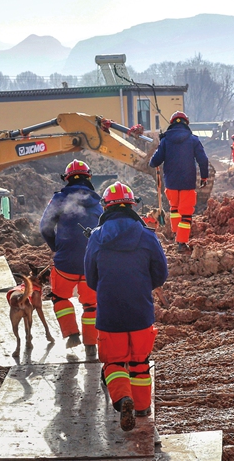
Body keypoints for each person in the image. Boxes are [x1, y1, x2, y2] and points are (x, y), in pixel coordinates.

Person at [84, 182, 168, 432]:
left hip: (110, 315)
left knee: (114, 363)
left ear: (106, 207)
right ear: (132, 206)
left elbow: (91, 278)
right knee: (140, 362)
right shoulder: (147, 235)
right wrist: (142, 287)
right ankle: (142, 407)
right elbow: (161, 273)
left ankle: (123, 400)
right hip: (141, 313)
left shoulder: (97, 237)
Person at [40, 160, 104, 349]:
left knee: (60, 297)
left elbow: (45, 227)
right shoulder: (98, 203)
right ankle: (91, 344)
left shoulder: (59, 199)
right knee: (92, 305)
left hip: (64, 264)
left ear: (66, 179)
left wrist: (56, 248)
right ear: (89, 177)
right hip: (91, 265)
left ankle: (72, 334)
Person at [148, 111, 209, 251]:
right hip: (187, 183)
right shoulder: (193, 140)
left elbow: (154, 162)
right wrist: (204, 176)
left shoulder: (165, 140)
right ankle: (181, 243)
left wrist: (154, 160)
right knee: (186, 214)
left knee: (174, 209)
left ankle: (176, 233)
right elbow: (203, 160)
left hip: (170, 183)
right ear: (186, 123)